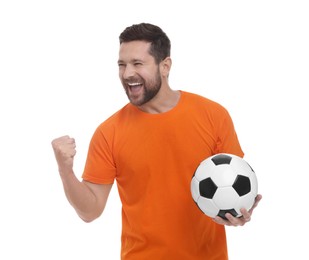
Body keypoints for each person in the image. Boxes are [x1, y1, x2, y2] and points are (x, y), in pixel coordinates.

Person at [51, 22, 262, 260]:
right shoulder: (108, 132)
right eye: (122, 64)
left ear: (165, 66)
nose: (127, 73)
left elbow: (235, 183)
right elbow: (90, 211)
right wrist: (65, 170)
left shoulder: (213, 115)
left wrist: (240, 212)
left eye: (137, 63)